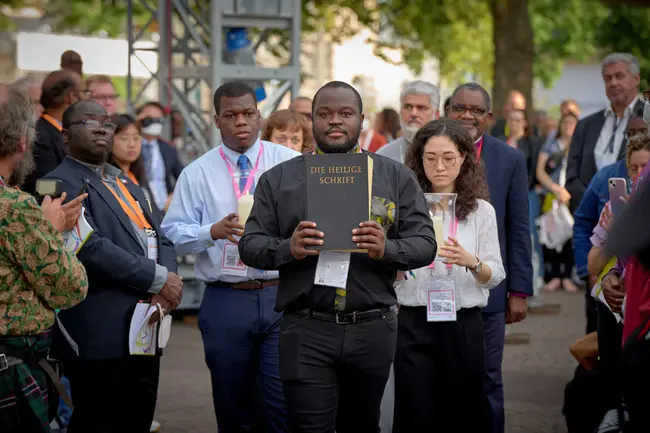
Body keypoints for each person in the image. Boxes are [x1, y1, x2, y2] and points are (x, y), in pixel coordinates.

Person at [238, 80, 436, 433]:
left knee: (361, 426)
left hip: (372, 326)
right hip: (307, 326)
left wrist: (386, 248)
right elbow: (250, 245)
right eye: (324, 114)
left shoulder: (394, 176)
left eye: (345, 114)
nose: (334, 121)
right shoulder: (280, 179)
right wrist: (289, 248)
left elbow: (425, 243)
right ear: (311, 120)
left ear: (362, 119)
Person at [161, 82, 300, 433]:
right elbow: (172, 233)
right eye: (231, 115)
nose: (241, 122)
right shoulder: (198, 172)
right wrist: (211, 232)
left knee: (280, 404)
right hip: (226, 298)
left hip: (280, 295)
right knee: (232, 403)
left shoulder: (288, 163)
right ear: (216, 120)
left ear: (259, 115)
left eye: (248, 114)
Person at [43, 100, 182, 433]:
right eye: (89, 123)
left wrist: (167, 283)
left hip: (146, 323)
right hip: (100, 331)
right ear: (65, 137)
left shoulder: (127, 184)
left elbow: (162, 236)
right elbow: (90, 248)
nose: (101, 129)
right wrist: (157, 278)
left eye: (105, 123)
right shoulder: (54, 183)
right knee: (100, 420)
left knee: (139, 418)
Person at [393, 118, 505, 432]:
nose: (439, 167)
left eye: (448, 158)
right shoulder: (403, 209)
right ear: (418, 161)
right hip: (414, 322)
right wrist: (396, 265)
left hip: (462, 324)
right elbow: (388, 273)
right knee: (415, 413)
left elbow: (495, 274)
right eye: (430, 159)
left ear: (464, 159)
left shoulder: (481, 211)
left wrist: (471, 262)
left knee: (463, 413)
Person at [0, 86, 88, 432]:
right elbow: (70, 288)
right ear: (23, 142)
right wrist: (48, 228)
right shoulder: (15, 208)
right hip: (13, 369)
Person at [446, 83, 533, 433]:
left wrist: (519, 291)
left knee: (487, 379)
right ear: (447, 111)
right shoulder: (429, 152)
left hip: (491, 293)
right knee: (444, 378)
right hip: (440, 289)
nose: (467, 115)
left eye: (476, 110)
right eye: (459, 108)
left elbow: (518, 227)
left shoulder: (510, 159)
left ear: (489, 117)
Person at [572, 114, 647, 333]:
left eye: (646, 166)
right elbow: (594, 264)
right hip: (615, 311)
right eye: (634, 168)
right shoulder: (614, 209)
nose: (640, 174)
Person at [566, 53, 644, 213]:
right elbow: (572, 176)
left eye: (619, 76)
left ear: (636, 79)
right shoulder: (585, 125)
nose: (613, 82)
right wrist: (591, 204)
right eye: (608, 78)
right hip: (591, 220)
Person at [536, 112, 579, 293]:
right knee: (551, 233)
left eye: (572, 123)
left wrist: (569, 191)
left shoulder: (580, 145)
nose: (568, 126)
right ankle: (553, 276)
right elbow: (540, 171)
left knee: (570, 234)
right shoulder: (551, 144)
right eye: (566, 122)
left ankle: (567, 276)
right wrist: (555, 189)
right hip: (552, 195)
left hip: (572, 195)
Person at [22, 69, 83, 196]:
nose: (85, 99)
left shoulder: (56, 130)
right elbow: (45, 187)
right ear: (71, 97)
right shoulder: (41, 137)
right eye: (83, 92)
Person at [136, 102, 185, 213]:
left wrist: (174, 196)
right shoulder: (130, 147)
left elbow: (183, 176)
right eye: (150, 119)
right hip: (138, 209)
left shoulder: (168, 148)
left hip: (164, 209)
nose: (155, 124)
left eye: (159, 120)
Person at [377, 80, 440, 163]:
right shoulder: (383, 156)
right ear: (400, 111)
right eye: (408, 107)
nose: (413, 113)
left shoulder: (449, 153)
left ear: (436, 115)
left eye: (421, 108)